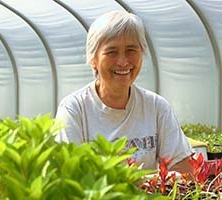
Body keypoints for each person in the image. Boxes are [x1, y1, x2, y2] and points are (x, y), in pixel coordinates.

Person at [55, 10, 194, 176]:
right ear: (93, 60)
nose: (123, 62)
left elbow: (184, 169)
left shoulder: (156, 107)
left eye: (131, 50)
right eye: (111, 52)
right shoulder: (74, 109)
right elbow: (70, 177)